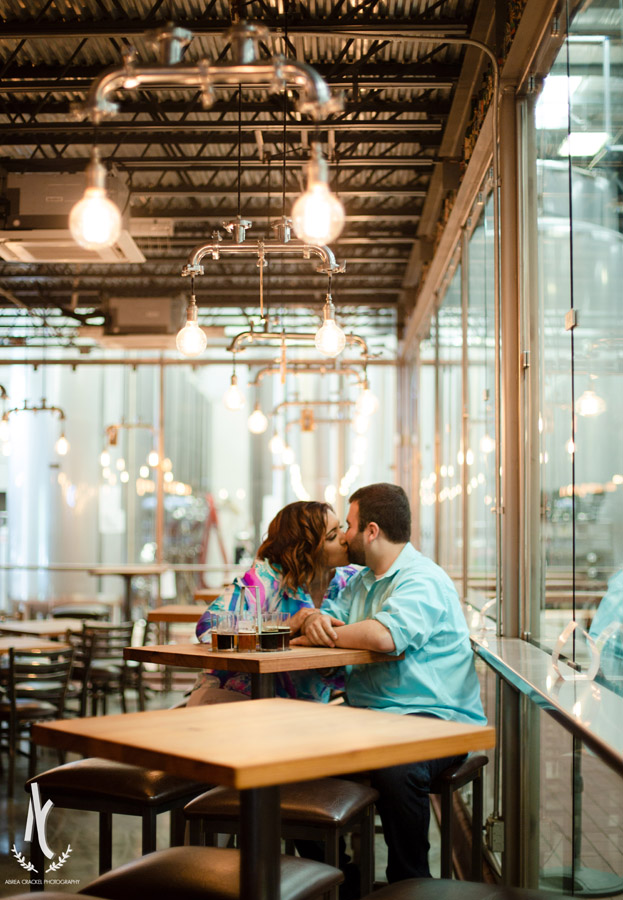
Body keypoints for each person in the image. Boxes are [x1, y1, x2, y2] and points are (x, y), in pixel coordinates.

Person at [292, 482, 486, 882]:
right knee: (290, 759)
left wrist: (325, 630)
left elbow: (385, 637)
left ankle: (410, 882)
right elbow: (321, 618)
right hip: (371, 717)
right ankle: (337, 879)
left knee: (396, 765)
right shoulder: (360, 581)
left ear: (372, 531)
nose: (344, 535)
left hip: (436, 718)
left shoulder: (422, 579)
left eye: (348, 525)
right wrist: (313, 620)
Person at [189, 500, 358, 704]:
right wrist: (284, 627)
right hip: (233, 698)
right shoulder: (266, 577)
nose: (345, 538)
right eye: (332, 536)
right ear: (304, 550)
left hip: (298, 710)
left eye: (341, 528)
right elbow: (207, 630)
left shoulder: (350, 581)